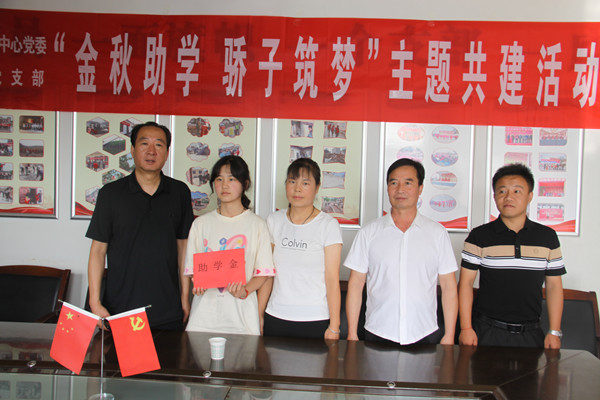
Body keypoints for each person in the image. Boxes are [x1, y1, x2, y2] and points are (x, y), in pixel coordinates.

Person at [86, 121, 194, 330]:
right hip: (120, 309)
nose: (151, 151)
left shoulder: (179, 192)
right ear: (132, 150)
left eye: (159, 145)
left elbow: (183, 248)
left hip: (168, 308)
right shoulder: (110, 194)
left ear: (167, 153)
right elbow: (98, 250)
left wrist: (184, 297)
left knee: (169, 353)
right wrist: (95, 302)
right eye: (144, 144)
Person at [344, 158, 458, 345]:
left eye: (408, 183)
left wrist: (450, 335)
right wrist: (351, 333)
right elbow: (356, 284)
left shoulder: (437, 233)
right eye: (394, 183)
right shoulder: (368, 233)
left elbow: (448, 286)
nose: (400, 189)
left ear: (420, 188)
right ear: (388, 188)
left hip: (424, 333)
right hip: (378, 331)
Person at [459, 163, 566, 348]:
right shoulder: (479, 236)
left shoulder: (547, 237)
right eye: (502, 191)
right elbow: (466, 283)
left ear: (530, 196)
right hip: (486, 331)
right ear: (494, 196)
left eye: (517, 191)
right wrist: (466, 328)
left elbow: (554, 286)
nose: (508, 197)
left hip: (531, 332)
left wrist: (554, 331)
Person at [184, 155, 275, 335]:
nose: (224, 185)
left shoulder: (257, 225)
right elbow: (193, 270)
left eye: (231, 179)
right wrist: (198, 281)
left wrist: (245, 291)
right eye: (219, 179)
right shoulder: (200, 224)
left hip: (242, 318)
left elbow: (264, 273)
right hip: (203, 318)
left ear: (245, 184)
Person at [259, 158, 343, 340]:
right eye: (292, 181)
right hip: (276, 315)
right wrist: (259, 315)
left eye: (305, 183)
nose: (297, 189)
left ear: (317, 187)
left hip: (315, 319)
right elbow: (267, 274)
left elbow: (332, 279)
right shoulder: (274, 220)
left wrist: (335, 326)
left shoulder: (328, 225)